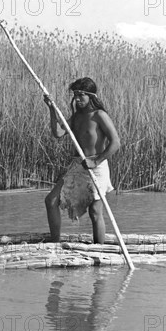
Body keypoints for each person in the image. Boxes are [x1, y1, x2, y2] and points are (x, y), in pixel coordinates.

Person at [44, 77, 120, 244]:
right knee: (51, 200)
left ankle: (100, 250)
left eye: (81, 95)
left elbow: (115, 143)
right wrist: (51, 109)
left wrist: (96, 161)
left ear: (91, 96)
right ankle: (54, 243)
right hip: (78, 166)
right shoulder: (77, 116)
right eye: (75, 95)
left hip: (97, 166)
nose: (77, 99)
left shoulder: (100, 115)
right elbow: (58, 133)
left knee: (95, 211)